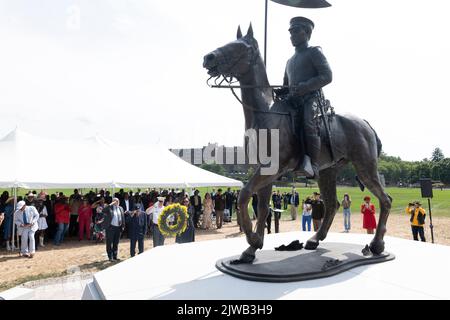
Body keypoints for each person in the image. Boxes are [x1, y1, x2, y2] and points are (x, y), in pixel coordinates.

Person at [274, 16, 332, 178]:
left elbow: (327, 76)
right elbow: (286, 86)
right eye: (290, 32)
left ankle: (313, 164)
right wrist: (281, 91)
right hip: (293, 101)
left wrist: (305, 87)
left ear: (306, 33)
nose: (291, 35)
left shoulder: (314, 52)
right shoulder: (289, 61)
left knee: (308, 122)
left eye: (295, 31)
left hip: (311, 98)